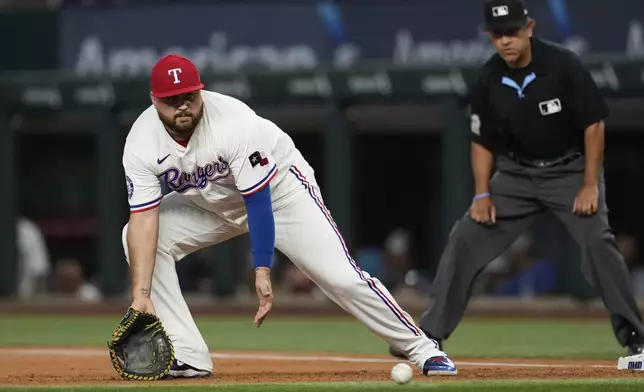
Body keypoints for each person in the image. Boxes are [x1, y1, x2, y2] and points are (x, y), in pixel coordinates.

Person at [121, 54, 457, 379]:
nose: (182, 105)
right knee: (134, 238)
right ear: (154, 100)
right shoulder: (141, 142)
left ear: (201, 91)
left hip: (281, 194)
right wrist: (141, 294)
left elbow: (258, 200)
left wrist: (263, 269)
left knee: (339, 277)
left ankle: (421, 348)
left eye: (189, 96)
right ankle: (189, 354)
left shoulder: (234, 121)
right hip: (210, 205)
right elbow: (144, 219)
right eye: (172, 99)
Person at [388, 0, 644, 359]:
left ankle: (637, 338)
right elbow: (482, 140)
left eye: (511, 31)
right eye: (497, 34)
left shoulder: (562, 65)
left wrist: (589, 184)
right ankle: (430, 334)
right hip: (517, 175)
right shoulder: (489, 77)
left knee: (598, 243)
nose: (505, 40)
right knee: (465, 237)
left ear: (529, 28)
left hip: (569, 170)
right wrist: (481, 194)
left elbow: (594, 126)